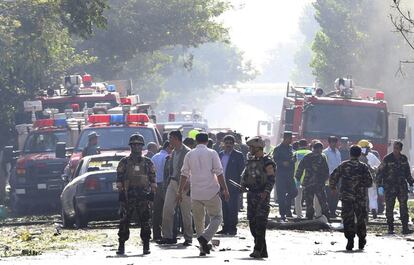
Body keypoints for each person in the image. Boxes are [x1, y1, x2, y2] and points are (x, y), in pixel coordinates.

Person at [178, 132, 230, 256]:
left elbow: (184, 174)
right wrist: (225, 189)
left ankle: (203, 248)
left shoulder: (189, 154)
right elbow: (219, 173)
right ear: (207, 141)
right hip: (211, 191)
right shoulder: (212, 153)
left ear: (196, 141)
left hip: (195, 193)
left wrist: (179, 191)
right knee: (217, 217)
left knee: (198, 221)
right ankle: (205, 239)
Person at [115, 134, 157, 255]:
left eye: (139, 145)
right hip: (129, 195)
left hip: (143, 195)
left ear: (142, 146)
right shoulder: (124, 162)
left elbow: (153, 179)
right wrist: (121, 194)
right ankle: (121, 245)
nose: (137, 147)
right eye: (134, 145)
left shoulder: (148, 162)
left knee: (145, 221)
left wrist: (152, 194)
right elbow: (119, 179)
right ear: (131, 146)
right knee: (124, 221)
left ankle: (146, 245)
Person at [329, 145, 372, 251]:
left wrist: (333, 187)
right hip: (360, 198)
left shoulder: (344, 165)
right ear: (359, 154)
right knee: (361, 218)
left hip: (347, 197)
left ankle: (350, 240)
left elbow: (333, 177)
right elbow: (370, 182)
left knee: (348, 219)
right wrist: (360, 184)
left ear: (350, 154)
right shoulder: (363, 167)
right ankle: (361, 239)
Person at [240, 136, 276, 258]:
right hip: (251, 195)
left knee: (260, 223)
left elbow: (271, 179)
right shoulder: (251, 160)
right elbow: (246, 175)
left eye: (251, 147)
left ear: (257, 148)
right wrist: (243, 185)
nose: (249, 149)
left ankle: (257, 249)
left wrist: (266, 192)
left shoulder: (267, 161)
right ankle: (263, 250)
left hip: (262, 195)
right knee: (252, 223)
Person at [158, 131, 193, 245]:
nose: (169, 141)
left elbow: (193, 169)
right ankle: (168, 236)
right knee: (167, 209)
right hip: (172, 183)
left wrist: (189, 182)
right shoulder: (173, 152)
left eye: (171, 138)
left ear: (177, 139)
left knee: (185, 212)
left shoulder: (188, 152)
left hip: (184, 184)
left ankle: (188, 237)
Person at [377, 141, 414, 234]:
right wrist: (379, 184)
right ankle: (390, 228)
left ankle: (405, 228)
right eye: (394, 148)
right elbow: (380, 171)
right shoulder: (387, 158)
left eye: (397, 148)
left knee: (403, 207)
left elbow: (407, 173)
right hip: (390, 187)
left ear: (400, 149)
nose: (395, 150)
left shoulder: (404, 158)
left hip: (402, 187)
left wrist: (411, 182)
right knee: (389, 207)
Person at [295, 141, 330, 221]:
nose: (320, 151)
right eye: (319, 149)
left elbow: (300, 169)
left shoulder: (308, 156)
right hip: (318, 184)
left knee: (310, 202)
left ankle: (310, 217)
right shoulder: (321, 157)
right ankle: (326, 217)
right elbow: (326, 171)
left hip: (310, 183)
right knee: (321, 201)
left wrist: (298, 179)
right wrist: (325, 180)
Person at [217, 135, 245, 235]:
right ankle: (225, 227)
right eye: (226, 143)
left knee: (232, 207)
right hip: (221, 184)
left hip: (233, 185)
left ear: (234, 144)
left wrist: (241, 184)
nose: (228, 145)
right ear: (223, 144)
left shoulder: (238, 155)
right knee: (224, 207)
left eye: (230, 143)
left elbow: (242, 171)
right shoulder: (220, 155)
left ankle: (232, 228)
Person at [273, 131, 297, 220]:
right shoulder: (278, 149)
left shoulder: (291, 148)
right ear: (285, 138)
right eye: (290, 138)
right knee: (281, 195)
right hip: (281, 175)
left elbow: (293, 157)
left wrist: (293, 160)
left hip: (290, 175)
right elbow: (274, 160)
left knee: (294, 192)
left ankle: (287, 204)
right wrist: (282, 163)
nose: (291, 140)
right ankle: (283, 214)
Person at [150, 141, 171, 240]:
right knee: (168, 210)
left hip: (155, 184)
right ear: (168, 147)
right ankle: (167, 233)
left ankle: (156, 234)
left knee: (156, 211)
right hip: (164, 185)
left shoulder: (154, 157)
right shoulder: (167, 157)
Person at [358, 139, 381, 219]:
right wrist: (374, 169)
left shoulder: (356, 156)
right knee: (373, 195)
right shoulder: (371, 155)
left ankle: (365, 212)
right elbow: (379, 165)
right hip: (371, 179)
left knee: (363, 196)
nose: (369, 149)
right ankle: (373, 208)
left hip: (360, 181)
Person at [323, 136, 342, 217]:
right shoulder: (325, 152)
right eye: (332, 142)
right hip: (329, 176)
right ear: (329, 143)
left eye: (335, 142)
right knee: (329, 194)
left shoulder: (338, 152)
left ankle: (333, 211)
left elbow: (339, 163)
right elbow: (324, 165)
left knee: (336, 195)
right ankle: (328, 211)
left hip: (337, 177)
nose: (334, 144)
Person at [293, 139, 311, 219]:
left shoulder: (295, 154)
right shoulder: (310, 153)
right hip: (309, 179)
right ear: (307, 145)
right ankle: (309, 214)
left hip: (298, 179)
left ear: (299, 145)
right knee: (309, 198)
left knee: (298, 198)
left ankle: (299, 214)